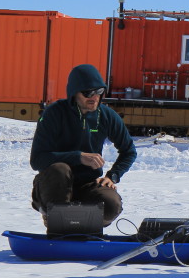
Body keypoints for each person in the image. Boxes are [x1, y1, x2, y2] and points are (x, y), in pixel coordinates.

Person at [30, 63, 136, 228]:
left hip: (87, 184)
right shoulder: (54, 113)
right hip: (54, 185)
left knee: (111, 204)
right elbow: (37, 160)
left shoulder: (107, 116)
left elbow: (129, 151)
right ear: (74, 93)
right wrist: (78, 157)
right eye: (88, 92)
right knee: (60, 169)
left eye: (99, 91)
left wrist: (112, 176)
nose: (94, 97)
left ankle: (78, 226)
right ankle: (56, 220)